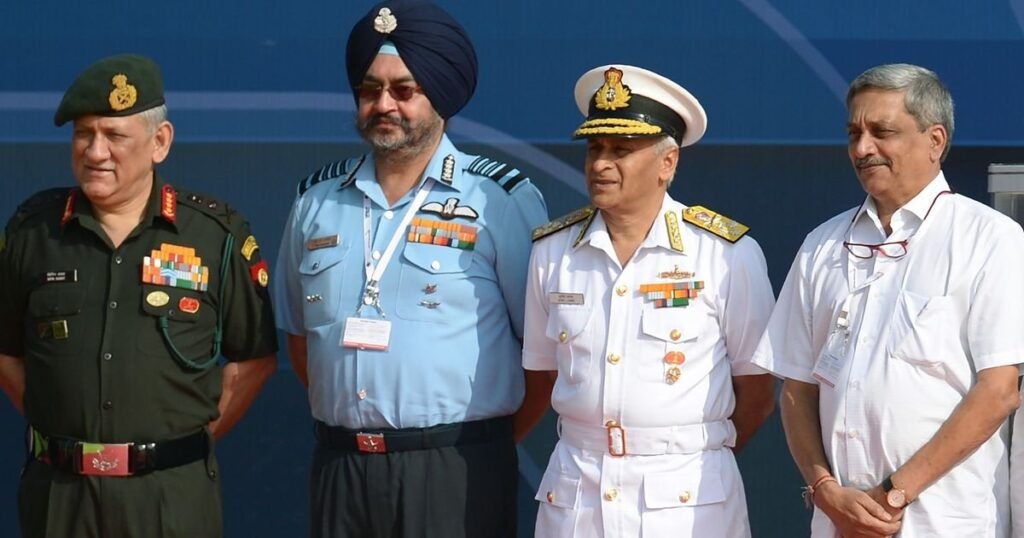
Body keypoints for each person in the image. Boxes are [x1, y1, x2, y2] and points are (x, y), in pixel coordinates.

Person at [272, 1, 549, 537]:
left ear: (439, 95)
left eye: (404, 90)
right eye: (370, 90)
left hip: (456, 468)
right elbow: (302, 342)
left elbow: (543, 356)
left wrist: (480, 444)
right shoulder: (316, 201)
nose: (384, 104)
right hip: (342, 466)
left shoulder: (497, 199)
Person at [0, 54, 279, 538]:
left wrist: (179, 444)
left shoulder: (214, 235)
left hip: (170, 496)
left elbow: (253, 361)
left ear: (160, 142)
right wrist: (68, 428)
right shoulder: (33, 232)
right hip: (60, 497)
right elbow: (6, 354)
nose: (96, 152)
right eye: (84, 134)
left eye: (115, 135)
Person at [753, 63, 1024, 537]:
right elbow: (797, 389)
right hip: (840, 522)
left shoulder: (989, 239)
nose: (862, 149)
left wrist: (893, 494)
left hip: (942, 523)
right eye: (854, 133)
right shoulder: (821, 245)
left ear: (935, 140)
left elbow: (998, 391)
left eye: (882, 132)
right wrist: (824, 490)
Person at [523, 64, 776, 537]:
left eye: (621, 150)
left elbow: (758, 395)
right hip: (577, 496)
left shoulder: (725, 253)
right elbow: (541, 373)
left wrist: (680, 453)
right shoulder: (552, 251)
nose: (600, 164)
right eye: (595, 148)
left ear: (668, 163)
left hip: (684, 503)